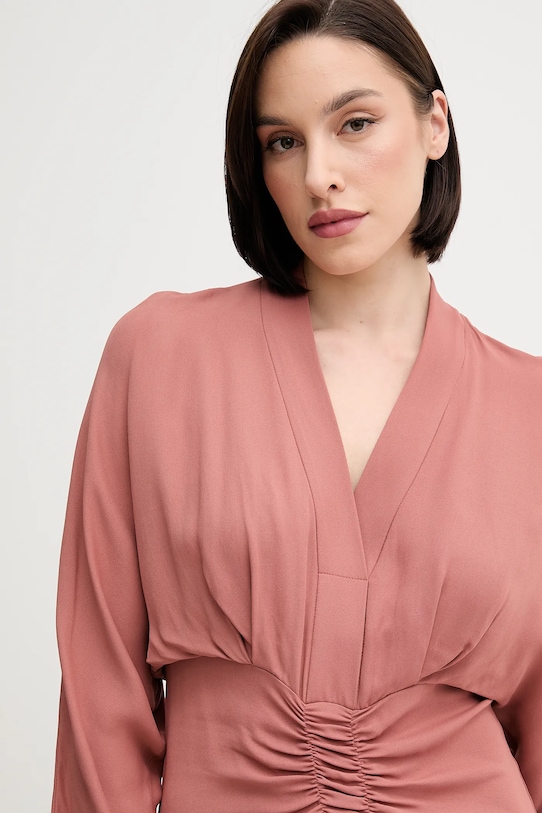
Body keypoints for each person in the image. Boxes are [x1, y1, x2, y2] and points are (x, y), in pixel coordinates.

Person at [51, 0, 542, 811]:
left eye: (355, 123)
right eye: (283, 141)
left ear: (435, 124)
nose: (319, 174)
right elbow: (100, 693)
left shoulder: (530, 411)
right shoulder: (160, 357)